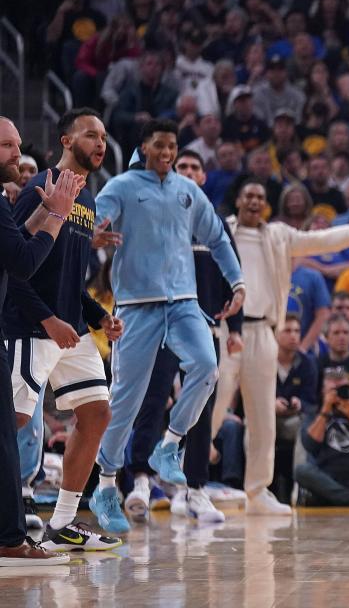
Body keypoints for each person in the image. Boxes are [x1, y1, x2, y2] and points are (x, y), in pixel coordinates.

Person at [90, 119, 247, 535]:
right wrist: (91, 235)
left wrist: (238, 281)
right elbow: (91, 223)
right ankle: (105, 485)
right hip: (138, 308)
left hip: (184, 303)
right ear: (144, 146)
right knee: (125, 403)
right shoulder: (121, 186)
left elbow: (217, 239)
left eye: (172, 145)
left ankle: (170, 444)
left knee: (207, 367)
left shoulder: (187, 190)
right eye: (159, 144)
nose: (167, 152)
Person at [211, 180, 349, 515]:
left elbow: (323, 239)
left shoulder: (279, 235)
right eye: (249, 195)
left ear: (266, 205)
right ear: (238, 199)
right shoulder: (219, 230)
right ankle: (187, 483)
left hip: (266, 330)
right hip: (226, 329)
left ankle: (258, 491)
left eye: (260, 197)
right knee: (213, 406)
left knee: (263, 417)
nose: (254, 201)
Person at [4, 109, 123, 552]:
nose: (100, 143)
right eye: (91, 135)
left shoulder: (86, 201)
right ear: (66, 140)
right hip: (30, 325)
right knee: (11, 421)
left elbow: (68, 278)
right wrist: (47, 320)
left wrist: (97, 317)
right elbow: (13, 271)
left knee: (96, 413)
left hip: (69, 328)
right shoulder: (40, 189)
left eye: (104, 137)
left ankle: (63, 525)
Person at [124, 149, 243, 524]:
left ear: (203, 178)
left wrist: (235, 329)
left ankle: (195, 490)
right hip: (158, 322)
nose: (189, 172)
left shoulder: (216, 223)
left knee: (202, 410)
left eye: (195, 168)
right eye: (182, 167)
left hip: (204, 326)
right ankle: (141, 479)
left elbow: (232, 276)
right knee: (152, 399)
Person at [0, 116, 85, 566]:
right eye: (8, 146)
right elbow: (25, 263)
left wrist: (46, 209)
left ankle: (19, 531)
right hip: (20, 330)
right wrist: (55, 214)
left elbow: (15, 243)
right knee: (9, 429)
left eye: (17, 144)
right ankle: (12, 537)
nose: (18, 154)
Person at [295, 364, 349, 506]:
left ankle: (336, 497)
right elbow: (310, 445)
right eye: (333, 390)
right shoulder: (314, 413)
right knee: (302, 471)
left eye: (343, 389)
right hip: (326, 476)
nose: (338, 394)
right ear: (323, 392)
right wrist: (325, 411)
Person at [274, 314, 318, 502]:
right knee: (254, 427)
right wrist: (270, 404)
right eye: (288, 331)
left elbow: (311, 402)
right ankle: (253, 487)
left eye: (297, 331)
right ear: (275, 334)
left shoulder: (307, 363)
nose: (294, 336)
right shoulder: (263, 360)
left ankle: (299, 486)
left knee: (304, 428)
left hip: (293, 420)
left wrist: (300, 403)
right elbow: (249, 396)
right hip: (266, 418)